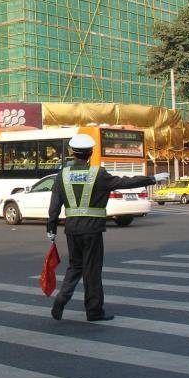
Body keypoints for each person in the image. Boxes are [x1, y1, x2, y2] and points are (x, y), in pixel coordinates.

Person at [46, 134, 169, 322]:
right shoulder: (98, 174)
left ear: (72, 153)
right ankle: (94, 311)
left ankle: (61, 300)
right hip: (93, 230)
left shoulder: (62, 175)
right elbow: (125, 182)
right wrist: (152, 178)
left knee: (75, 266)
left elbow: (55, 204)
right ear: (91, 153)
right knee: (92, 270)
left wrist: (51, 227)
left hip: (72, 230)